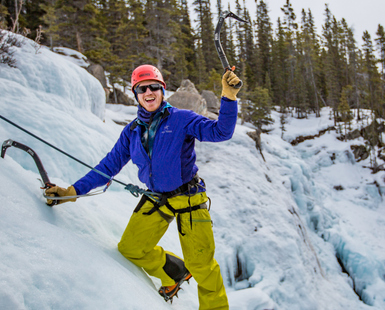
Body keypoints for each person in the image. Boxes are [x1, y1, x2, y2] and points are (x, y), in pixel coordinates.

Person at [45, 64, 242, 309]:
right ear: (136, 93)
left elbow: (221, 132)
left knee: (203, 266)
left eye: (154, 87)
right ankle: (174, 272)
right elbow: (108, 166)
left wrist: (229, 98)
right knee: (131, 248)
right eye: (142, 88)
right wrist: (72, 192)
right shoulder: (132, 132)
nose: (148, 92)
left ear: (162, 90)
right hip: (156, 198)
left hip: (189, 199)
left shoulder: (181, 119)